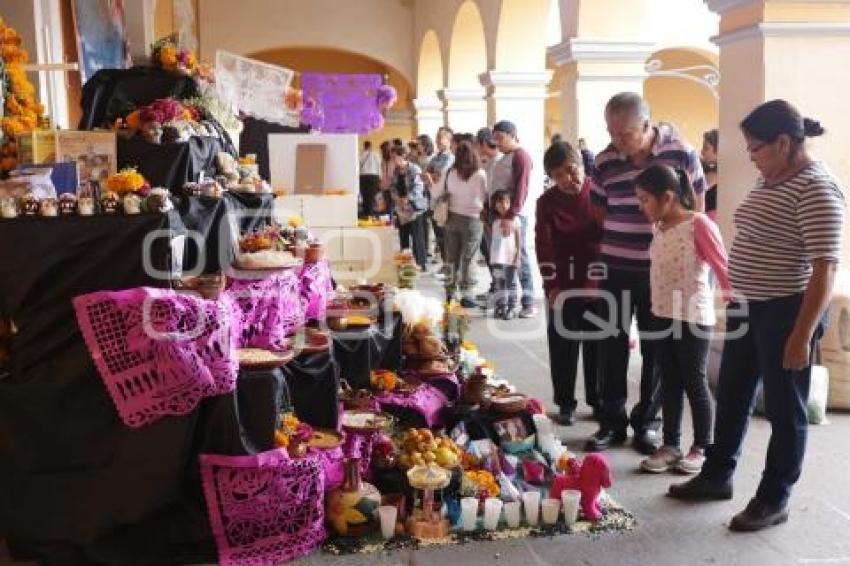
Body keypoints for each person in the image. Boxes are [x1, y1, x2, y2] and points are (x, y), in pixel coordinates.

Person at [669, 100, 845, 532]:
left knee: (786, 411)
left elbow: (825, 267)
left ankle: (773, 498)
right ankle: (717, 475)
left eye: (755, 148)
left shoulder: (817, 188)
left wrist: (801, 336)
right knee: (732, 394)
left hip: (788, 313)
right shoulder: (774, 177)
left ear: (784, 142)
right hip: (751, 307)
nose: (750, 157)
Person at [585, 92, 706, 456]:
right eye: (612, 133)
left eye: (626, 134)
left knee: (657, 350)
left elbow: (695, 208)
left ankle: (647, 424)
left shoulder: (681, 154)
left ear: (647, 125)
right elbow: (597, 211)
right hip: (615, 265)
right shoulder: (605, 160)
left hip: (662, 272)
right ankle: (611, 421)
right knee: (610, 345)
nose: (618, 143)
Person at [633, 164, 731, 475]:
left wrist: (735, 304)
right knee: (669, 379)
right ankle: (671, 444)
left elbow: (722, 267)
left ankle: (702, 445)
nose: (641, 206)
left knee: (694, 381)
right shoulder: (659, 227)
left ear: (667, 197)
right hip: (661, 313)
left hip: (692, 318)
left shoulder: (698, 224)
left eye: (645, 200)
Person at [537, 141, 604, 425]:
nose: (567, 179)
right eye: (558, 176)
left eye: (570, 170)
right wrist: (552, 286)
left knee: (597, 345)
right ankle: (565, 402)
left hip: (599, 282)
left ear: (581, 164)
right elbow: (544, 245)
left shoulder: (599, 193)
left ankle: (598, 399)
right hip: (563, 284)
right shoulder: (547, 202)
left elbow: (607, 236)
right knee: (563, 344)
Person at [430, 140, 487, 307]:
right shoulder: (480, 174)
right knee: (469, 257)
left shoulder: (449, 172)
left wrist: (430, 182)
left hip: (452, 218)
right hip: (473, 220)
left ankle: (450, 291)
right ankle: (467, 293)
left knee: (451, 256)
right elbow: (484, 198)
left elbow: (435, 192)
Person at [490, 120, 536, 318]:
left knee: (519, 257)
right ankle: (506, 300)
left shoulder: (521, 156)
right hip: (501, 215)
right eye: (495, 138)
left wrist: (510, 215)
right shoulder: (506, 157)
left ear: (512, 135)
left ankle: (528, 302)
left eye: (500, 137)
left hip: (515, 216)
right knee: (502, 260)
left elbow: (521, 188)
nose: (497, 142)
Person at [390, 145, 429, 269]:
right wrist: (397, 199)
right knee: (403, 235)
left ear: (403, 156)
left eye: (395, 157)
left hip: (414, 207)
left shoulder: (414, 169)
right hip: (401, 208)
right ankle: (405, 261)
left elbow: (419, 187)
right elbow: (393, 187)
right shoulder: (396, 171)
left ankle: (421, 263)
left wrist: (408, 199)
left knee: (417, 235)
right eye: (393, 158)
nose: (394, 160)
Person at [489, 190, 522, 319]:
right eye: (500, 202)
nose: (504, 205)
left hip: (510, 257)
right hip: (497, 258)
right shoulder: (494, 221)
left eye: (507, 202)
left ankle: (512, 307)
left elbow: (519, 239)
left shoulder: (515, 219)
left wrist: (517, 254)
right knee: (499, 282)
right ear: (495, 204)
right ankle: (501, 306)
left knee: (511, 283)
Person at [426, 127, 455, 265]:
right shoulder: (436, 157)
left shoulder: (450, 158)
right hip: (433, 199)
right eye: (437, 137)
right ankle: (445, 264)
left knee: (445, 236)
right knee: (439, 236)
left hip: (443, 202)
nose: (437, 141)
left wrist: (431, 175)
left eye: (440, 138)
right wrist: (431, 174)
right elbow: (428, 172)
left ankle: (450, 265)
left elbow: (440, 175)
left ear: (449, 141)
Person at [358, 140, 381, 217]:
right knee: (372, 196)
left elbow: (358, 167)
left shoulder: (361, 155)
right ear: (370, 146)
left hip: (363, 177)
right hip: (374, 177)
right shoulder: (376, 155)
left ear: (364, 146)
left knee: (364, 196)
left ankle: (365, 214)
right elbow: (379, 166)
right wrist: (380, 178)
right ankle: (371, 214)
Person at [702, 129, 719, 221]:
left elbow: (699, 190)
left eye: (706, 148)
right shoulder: (711, 170)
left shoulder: (716, 174)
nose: (702, 151)